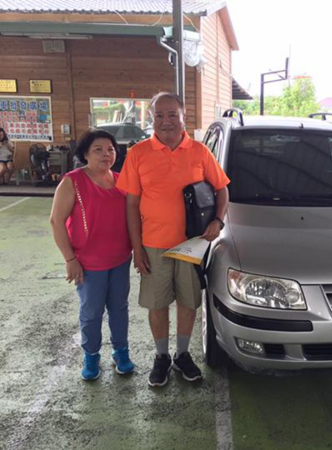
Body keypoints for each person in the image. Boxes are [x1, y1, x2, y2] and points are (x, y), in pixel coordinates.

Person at [117, 92, 230, 387]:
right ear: (151, 118)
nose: (165, 121)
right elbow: (131, 204)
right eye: (159, 115)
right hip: (153, 244)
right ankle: (162, 356)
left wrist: (218, 221)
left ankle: (182, 354)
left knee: (188, 302)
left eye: (172, 115)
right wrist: (137, 248)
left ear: (183, 117)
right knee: (157, 304)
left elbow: (222, 189)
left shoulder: (200, 152)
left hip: (192, 244)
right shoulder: (138, 153)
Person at [49, 130, 134, 381]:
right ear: (85, 154)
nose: (106, 154)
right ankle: (91, 355)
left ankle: (121, 352)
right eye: (98, 150)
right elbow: (56, 221)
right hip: (88, 264)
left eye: (110, 149)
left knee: (119, 309)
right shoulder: (72, 181)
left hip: (120, 259)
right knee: (92, 312)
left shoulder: (121, 181)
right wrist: (70, 259)